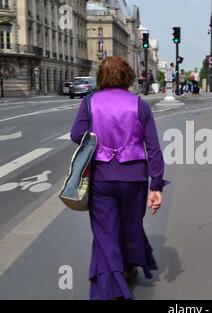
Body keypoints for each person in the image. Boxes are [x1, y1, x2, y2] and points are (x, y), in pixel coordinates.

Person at [70, 56, 168, 300]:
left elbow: (76, 134)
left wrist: (98, 140)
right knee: (130, 226)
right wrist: (156, 184)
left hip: (101, 177)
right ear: (127, 77)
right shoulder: (139, 104)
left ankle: (112, 289)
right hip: (134, 178)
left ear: (101, 78)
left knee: (105, 233)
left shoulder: (89, 102)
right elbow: (153, 147)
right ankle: (127, 267)